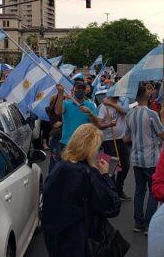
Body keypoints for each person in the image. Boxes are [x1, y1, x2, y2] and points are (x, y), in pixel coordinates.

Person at [42, 124, 125, 257]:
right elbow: (112, 206)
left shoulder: (58, 168)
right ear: (91, 149)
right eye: (98, 148)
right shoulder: (87, 174)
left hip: (58, 242)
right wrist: (105, 176)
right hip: (83, 243)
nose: (99, 153)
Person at [124, 85, 164, 234]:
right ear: (147, 96)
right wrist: (163, 117)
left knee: (139, 192)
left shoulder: (130, 114)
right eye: (149, 92)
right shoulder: (152, 114)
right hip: (151, 160)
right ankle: (149, 224)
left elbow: (125, 138)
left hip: (136, 159)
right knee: (153, 192)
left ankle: (138, 223)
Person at [52, 81, 109, 171]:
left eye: (83, 88)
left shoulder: (90, 105)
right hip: (67, 144)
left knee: (84, 171)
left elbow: (96, 124)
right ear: (73, 89)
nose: (81, 90)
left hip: (85, 145)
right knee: (65, 170)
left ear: (86, 91)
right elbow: (58, 112)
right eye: (78, 88)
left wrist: (90, 113)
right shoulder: (66, 103)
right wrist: (60, 93)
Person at [97, 95, 132, 200]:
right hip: (108, 141)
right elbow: (99, 124)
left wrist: (111, 104)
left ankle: (119, 188)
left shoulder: (123, 101)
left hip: (122, 139)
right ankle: (111, 192)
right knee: (111, 168)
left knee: (125, 165)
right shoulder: (103, 106)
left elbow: (125, 111)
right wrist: (108, 125)